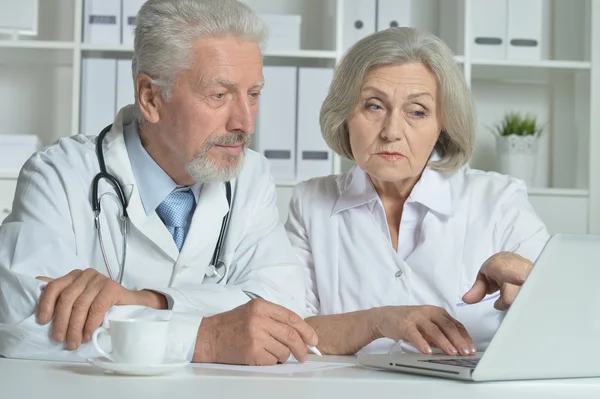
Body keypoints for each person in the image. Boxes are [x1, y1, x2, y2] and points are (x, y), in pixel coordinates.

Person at [0, 0, 317, 366]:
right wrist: (204, 339)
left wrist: (147, 301)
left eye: (254, 94)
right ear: (151, 98)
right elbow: (25, 320)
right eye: (219, 95)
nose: (245, 124)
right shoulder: (59, 175)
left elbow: (287, 308)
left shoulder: (251, 176)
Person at [285, 27, 549, 356]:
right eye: (373, 106)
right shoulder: (310, 203)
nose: (392, 132)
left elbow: (568, 316)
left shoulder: (499, 201)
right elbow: (287, 330)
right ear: (344, 115)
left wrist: (534, 281)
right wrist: (378, 321)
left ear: (443, 124)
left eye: (417, 111)